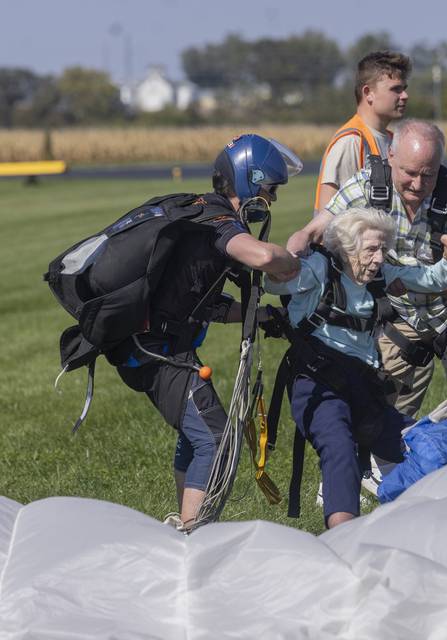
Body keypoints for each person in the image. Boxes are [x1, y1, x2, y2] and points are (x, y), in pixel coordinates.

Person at [112, 134, 303, 530]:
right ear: (251, 181)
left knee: (196, 433)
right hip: (156, 353)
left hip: (162, 349)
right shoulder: (216, 219)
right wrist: (294, 260)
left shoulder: (208, 221)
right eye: (270, 190)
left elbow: (206, 304)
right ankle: (191, 536)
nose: (273, 200)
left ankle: (184, 525)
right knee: (217, 440)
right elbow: (265, 257)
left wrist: (264, 317)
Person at [289, 119, 447, 418]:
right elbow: (314, 231)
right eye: (410, 173)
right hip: (399, 318)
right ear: (391, 157)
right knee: (380, 421)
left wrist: (409, 282)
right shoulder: (367, 187)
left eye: (429, 175)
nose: (418, 184)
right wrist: (291, 258)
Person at [264, 207, 447, 528]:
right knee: (340, 446)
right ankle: (344, 538)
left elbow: (434, 278)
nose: (379, 258)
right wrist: (289, 256)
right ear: (348, 249)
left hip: (364, 388)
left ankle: (445, 514)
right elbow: (275, 282)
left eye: (383, 249)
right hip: (316, 383)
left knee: (422, 439)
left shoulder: (381, 275)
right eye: (371, 249)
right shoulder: (317, 272)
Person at [313, 51, 411, 214]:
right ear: (368, 93)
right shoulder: (351, 141)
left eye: (404, 89)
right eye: (396, 89)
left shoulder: (394, 140)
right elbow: (327, 218)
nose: (405, 96)